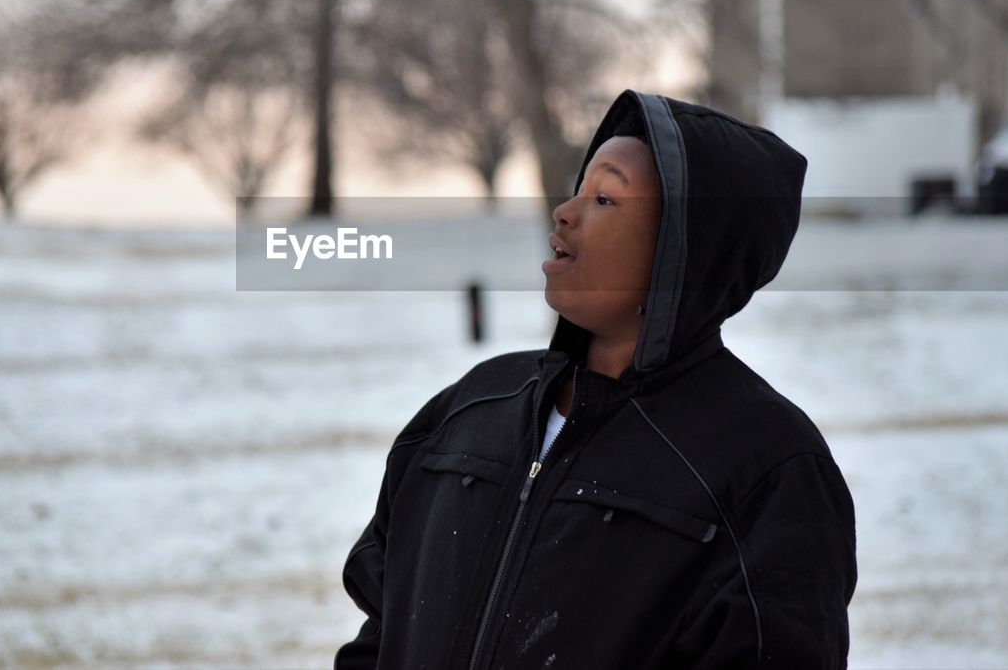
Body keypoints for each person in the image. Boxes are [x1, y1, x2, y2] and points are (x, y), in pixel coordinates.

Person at [334, 91, 857, 669]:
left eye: (605, 197)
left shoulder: (768, 466)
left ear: (685, 250)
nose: (565, 212)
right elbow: (381, 628)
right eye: (578, 188)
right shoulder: (469, 409)